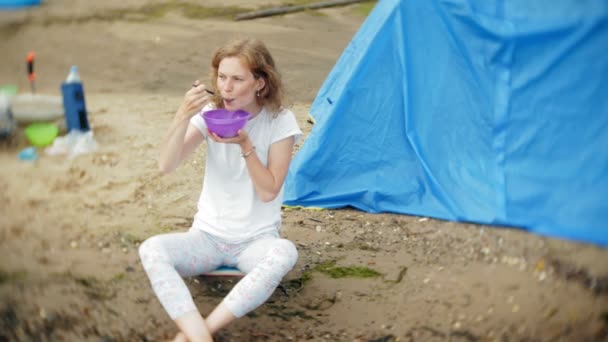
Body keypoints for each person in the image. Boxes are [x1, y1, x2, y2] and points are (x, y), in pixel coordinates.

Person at [139, 38, 302, 342]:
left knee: (284, 253)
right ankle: (199, 336)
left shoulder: (281, 122)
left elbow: (269, 191)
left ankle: (202, 333)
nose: (226, 87)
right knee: (151, 249)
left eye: (237, 79)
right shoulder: (208, 117)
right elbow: (166, 165)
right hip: (207, 239)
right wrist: (182, 116)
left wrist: (245, 145)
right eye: (222, 77)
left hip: (256, 241)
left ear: (260, 83)